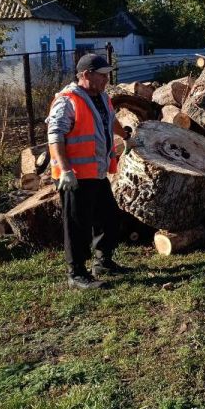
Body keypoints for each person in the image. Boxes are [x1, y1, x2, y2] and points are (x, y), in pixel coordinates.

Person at [47, 53, 133, 289]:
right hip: (74, 176)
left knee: (108, 218)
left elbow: (110, 120)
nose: (107, 79)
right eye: (103, 75)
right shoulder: (67, 101)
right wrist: (65, 170)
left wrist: (125, 136)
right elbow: (55, 136)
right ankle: (76, 274)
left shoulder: (102, 97)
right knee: (77, 225)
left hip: (96, 173)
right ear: (86, 75)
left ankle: (103, 261)